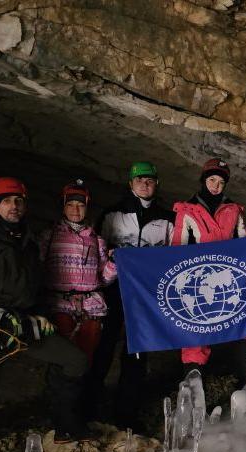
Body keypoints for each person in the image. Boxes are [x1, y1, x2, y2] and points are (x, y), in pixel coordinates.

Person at [0, 178, 90, 452]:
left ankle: (64, 423)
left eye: (18, 201)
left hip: (22, 323)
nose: (13, 206)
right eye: (6, 201)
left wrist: (40, 314)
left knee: (74, 360)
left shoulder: (26, 241)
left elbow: (33, 283)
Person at [89, 161, 174, 429]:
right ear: (131, 184)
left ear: (156, 183)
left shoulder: (167, 219)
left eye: (149, 180)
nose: (144, 184)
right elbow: (96, 253)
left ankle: (126, 414)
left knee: (136, 353)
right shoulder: (113, 214)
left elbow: (177, 256)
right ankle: (89, 407)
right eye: (139, 180)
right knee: (103, 348)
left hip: (146, 296)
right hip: (114, 291)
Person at [171, 158, 246, 384]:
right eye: (212, 180)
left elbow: (245, 246)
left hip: (227, 280)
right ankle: (193, 388)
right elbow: (176, 250)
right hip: (198, 283)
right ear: (203, 180)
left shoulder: (234, 210)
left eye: (221, 182)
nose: (216, 186)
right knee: (195, 337)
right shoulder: (187, 210)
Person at [39, 180, 117, 365]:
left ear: (87, 208)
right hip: (59, 305)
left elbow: (104, 280)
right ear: (63, 207)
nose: (75, 210)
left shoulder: (97, 241)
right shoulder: (49, 236)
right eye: (70, 205)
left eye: (81, 205)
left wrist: (114, 264)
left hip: (91, 308)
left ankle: (82, 394)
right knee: (63, 358)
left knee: (87, 358)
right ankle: (59, 393)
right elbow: (37, 269)